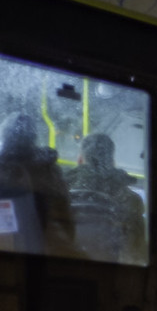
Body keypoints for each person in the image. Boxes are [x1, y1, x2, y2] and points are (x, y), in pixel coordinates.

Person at [0, 110, 75, 256]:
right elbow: (65, 211)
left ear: (4, 135)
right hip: (43, 244)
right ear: (34, 137)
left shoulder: (3, 168)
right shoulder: (49, 170)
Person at [65, 132, 146, 264]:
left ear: (80, 160)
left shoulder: (60, 193)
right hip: (113, 275)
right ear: (112, 162)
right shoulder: (133, 201)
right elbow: (137, 257)